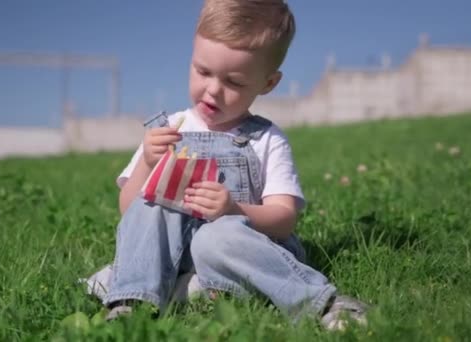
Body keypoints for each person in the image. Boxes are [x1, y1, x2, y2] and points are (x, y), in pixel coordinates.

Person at [85, 0, 368, 330]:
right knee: (152, 207)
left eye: (233, 82)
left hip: (241, 252)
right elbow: (128, 211)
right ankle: (132, 302)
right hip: (174, 256)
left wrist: (234, 209)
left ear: (268, 83)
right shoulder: (170, 128)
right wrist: (147, 164)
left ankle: (320, 303)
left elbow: (284, 219)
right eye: (203, 71)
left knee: (214, 239)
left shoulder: (266, 139)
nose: (213, 90)